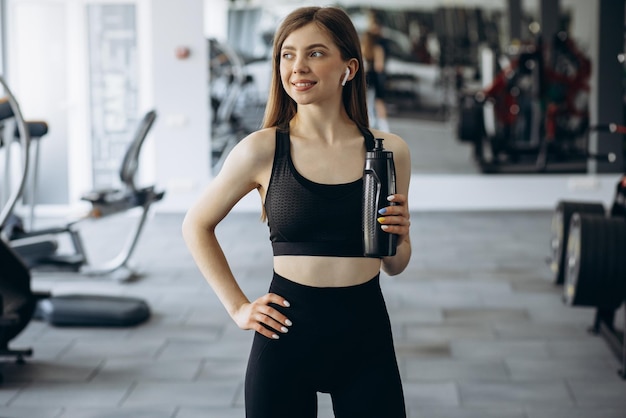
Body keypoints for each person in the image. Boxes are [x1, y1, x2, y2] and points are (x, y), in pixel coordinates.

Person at [182, 6, 411, 418]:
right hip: (285, 336)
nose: (298, 67)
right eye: (287, 54)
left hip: (365, 336)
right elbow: (196, 224)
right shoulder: (262, 148)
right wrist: (237, 307)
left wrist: (399, 236)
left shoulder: (388, 150)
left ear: (349, 67)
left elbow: (395, 263)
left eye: (316, 53)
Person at [361, 10, 390, 132]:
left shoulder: (366, 42)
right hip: (376, 76)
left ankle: (370, 124)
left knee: (367, 102)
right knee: (378, 102)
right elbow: (380, 65)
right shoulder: (379, 43)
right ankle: (384, 128)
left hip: (367, 74)